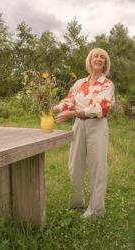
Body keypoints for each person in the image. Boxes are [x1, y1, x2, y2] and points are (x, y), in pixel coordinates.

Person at [52, 48, 115, 219]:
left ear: (105, 63)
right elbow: (69, 100)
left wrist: (71, 114)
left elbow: (99, 108)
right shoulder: (80, 83)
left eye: (103, 57)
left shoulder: (107, 84)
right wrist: (55, 107)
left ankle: (96, 210)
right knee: (75, 164)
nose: (99, 59)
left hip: (97, 126)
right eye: (96, 56)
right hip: (79, 126)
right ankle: (77, 201)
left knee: (97, 166)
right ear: (90, 60)